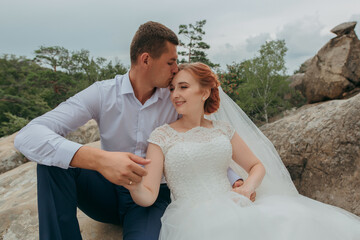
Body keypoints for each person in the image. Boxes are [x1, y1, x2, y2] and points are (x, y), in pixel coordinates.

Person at [14, 22, 243, 240]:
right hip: (104, 191)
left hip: (152, 197)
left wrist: (234, 178)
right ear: (146, 60)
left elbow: (205, 137)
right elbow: (29, 135)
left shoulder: (176, 97)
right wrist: (100, 160)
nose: (176, 69)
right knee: (51, 161)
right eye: (171, 62)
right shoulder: (103, 94)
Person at [127, 62, 360, 240]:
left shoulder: (223, 130)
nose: (175, 94)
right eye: (172, 88)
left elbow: (256, 166)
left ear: (204, 92)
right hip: (192, 218)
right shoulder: (161, 137)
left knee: (294, 223)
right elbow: (148, 195)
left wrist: (247, 189)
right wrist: (133, 184)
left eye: (184, 87)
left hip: (236, 203)